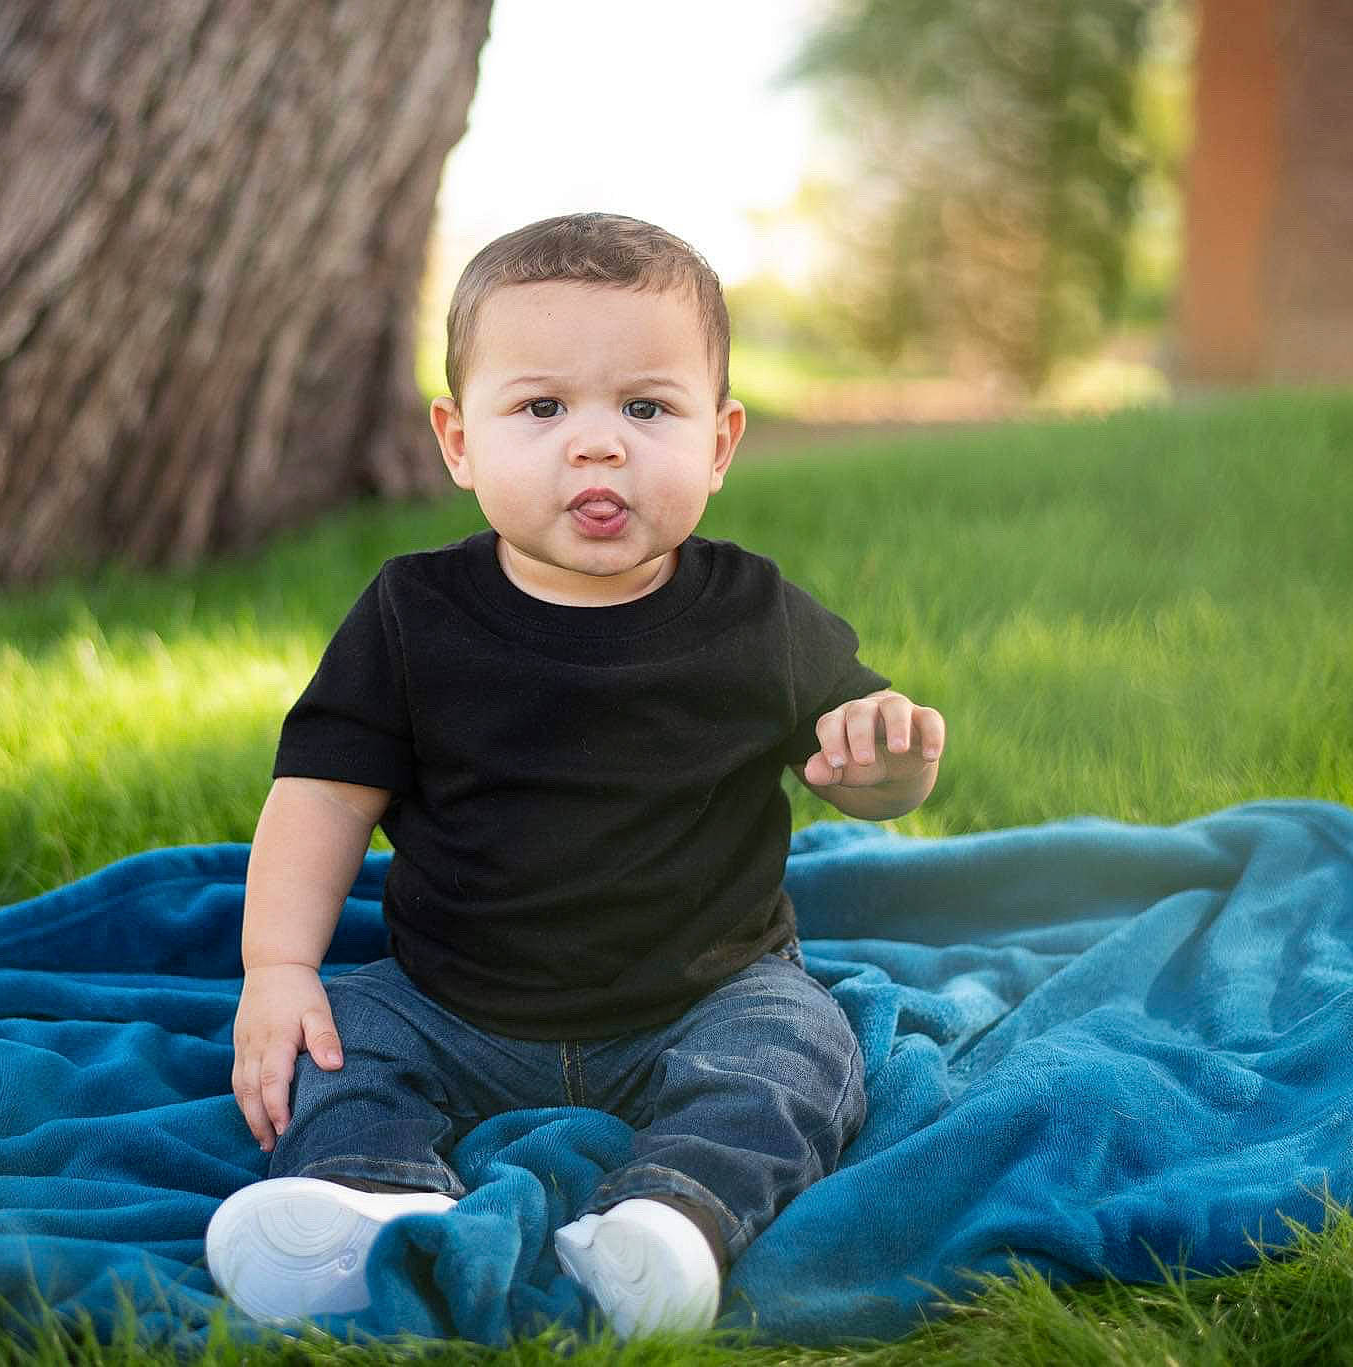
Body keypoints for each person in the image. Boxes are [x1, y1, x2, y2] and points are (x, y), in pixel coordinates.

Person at [205, 212, 944, 1338]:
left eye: (645, 408)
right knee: (335, 1038)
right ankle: (366, 1200)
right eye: (541, 408)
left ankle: (670, 1219)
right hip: (452, 998)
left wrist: (884, 765)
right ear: (458, 441)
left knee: (798, 1045)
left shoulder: (753, 614)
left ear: (719, 441)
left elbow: (855, 768)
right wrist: (277, 964)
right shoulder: (411, 614)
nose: (596, 446)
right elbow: (322, 794)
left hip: (700, 991)